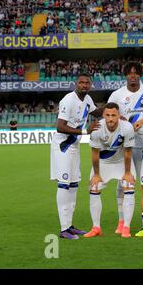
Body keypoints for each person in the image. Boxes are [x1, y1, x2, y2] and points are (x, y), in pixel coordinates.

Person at [107, 62, 143, 234]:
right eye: (130, 73)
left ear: (140, 75)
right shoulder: (117, 94)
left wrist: (142, 121)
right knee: (123, 182)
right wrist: (122, 121)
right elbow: (109, 116)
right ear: (125, 75)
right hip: (124, 145)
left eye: (136, 73)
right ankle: (122, 221)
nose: (133, 75)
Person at [50, 73, 101, 240]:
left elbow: (96, 112)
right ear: (76, 84)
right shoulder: (68, 100)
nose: (84, 85)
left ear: (90, 85)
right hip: (63, 147)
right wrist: (85, 131)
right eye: (81, 82)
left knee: (73, 185)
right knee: (64, 185)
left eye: (87, 83)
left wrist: (114, 107)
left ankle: (70, 225)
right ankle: (64, 229)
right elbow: (60, 126)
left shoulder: (87, 100)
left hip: (74, 147)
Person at [83, 103, 136, 238]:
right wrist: (96, 174)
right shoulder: (97, 129)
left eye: (113, 115)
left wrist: (128, 173)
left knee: (129, 186)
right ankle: (96, 227)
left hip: (121, 162)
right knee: (94, 188)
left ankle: (126, 227)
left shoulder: (127, 127)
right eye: (107, 115)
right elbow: (95, 153)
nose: (110, 118)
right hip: (103, 162)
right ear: (103, 115)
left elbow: (128, 152)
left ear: (119, 115)